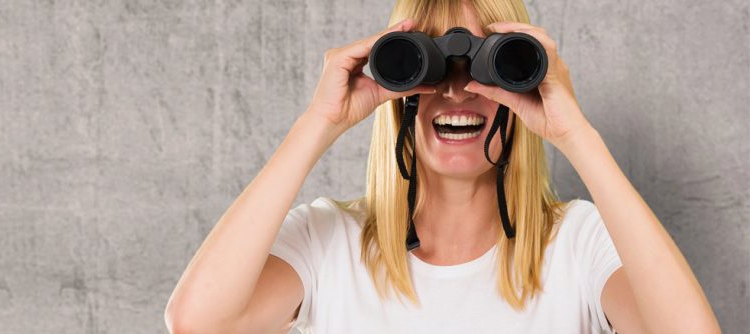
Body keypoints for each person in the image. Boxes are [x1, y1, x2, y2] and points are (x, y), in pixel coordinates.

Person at [164, 0, 720, 333]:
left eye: (491, 66)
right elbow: (197, 323)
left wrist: (576, 134)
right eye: (422, 63)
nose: (456, 91)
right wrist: (321, 121)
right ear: (397, 85)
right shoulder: (326, 241)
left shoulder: (578, 243)